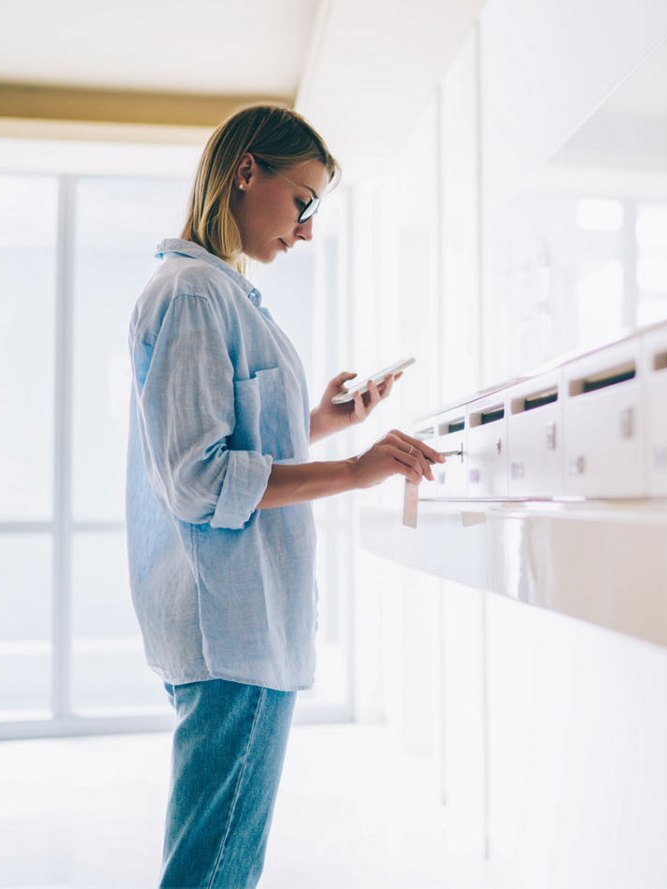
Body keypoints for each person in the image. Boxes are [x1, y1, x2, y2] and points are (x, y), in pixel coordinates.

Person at [125, 104, 444, 888]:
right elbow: (198, 477)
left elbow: (223, 441)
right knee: (216, 868)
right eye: (301, 202)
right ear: (246, 172)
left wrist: (321, 425)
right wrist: (354, 472)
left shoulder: (213, 294)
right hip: (233, 630)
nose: (304, 231)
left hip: (237, 628)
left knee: (217, 858)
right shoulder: (194, 295)